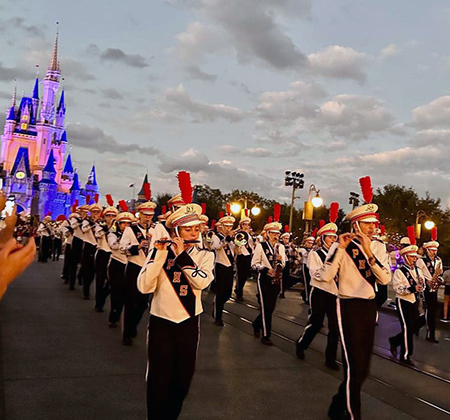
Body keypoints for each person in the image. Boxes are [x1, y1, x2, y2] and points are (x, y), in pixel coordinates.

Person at [323, 178, 391, 420]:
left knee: (364, 369)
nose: (373, 228)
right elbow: (327, 276)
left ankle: (337, 403)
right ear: (356, 225)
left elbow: (384, 280)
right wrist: (340, 250)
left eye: (375, 224)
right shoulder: (342, 246)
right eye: (368, 224)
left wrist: (370, 252)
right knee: (354, 365)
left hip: (369, 306)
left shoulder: (379, 248)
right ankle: (354, 415)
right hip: (348, 304)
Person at [137, 203, 214, 420]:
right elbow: (144, 287)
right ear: (177, 231)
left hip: (188, 322)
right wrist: (160, 255)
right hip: (162, 321)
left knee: (182, 379)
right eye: (188, 229)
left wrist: (182, 257)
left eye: (196, 229)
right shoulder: (160, 252)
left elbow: (202, 282)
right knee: (158, 379)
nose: (194, 233)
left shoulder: (205, 256)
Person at [296, 222, 339, 370]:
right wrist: (331, 268)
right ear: (323, 238)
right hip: (320, 292)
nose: (333, 240)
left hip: (334, 293)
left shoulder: (338, 255)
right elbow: (316, 274)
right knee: (316, 323)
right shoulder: (315, 254)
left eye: (335, 237)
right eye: (330, 237)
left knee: (335, 327)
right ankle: (302, 344)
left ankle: (330, 359)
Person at [119, 201, 156, 345]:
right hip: (134, 267)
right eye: (145, 215)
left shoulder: (155, 230)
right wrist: (137, 246)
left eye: (150, 216)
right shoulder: (131, 230)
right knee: (130, 302)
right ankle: (126, 333)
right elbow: (123, 248)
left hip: (148, 268)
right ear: (140, 215)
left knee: (143, 303)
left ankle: (133, 325)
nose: (148, 219)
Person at [388, 243, 425, 366]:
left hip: (414, 301)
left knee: (415, 326)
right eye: (412, 257)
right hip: (403, 301)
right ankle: (405, 356)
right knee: (407, 328)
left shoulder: (418, 271)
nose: (415, 259)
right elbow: (398, 288)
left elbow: (422, 286)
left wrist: (421, 285)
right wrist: (413, 288)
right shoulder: (400, 271)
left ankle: (394, 340)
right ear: (406, 257)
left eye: (415, 257)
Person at [251, 221, 286, 345]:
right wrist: (266, 270)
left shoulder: (280, 247)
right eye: (272, 233)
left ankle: (256, 323)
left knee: (270, 308)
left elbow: (284, 263)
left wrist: (281, 262)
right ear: (267, 234)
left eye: (277, 234)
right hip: (264, 279)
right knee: (265, 307)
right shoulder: (261, 246)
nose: (275, 236)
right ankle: (266, 335)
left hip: (276, 279)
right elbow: (254, 264)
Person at [107, 211, 134, 328]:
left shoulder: (134, 236)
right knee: (116, 291)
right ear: (118, 224)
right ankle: (114, 315)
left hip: (129, 265)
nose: (126, 226)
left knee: (127, 294)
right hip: (117, 264)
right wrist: (123, 238)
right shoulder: (113, 234)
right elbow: (114, 246)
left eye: (128, 224)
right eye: (123, 223)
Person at [416, 235, 444, 343]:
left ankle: (416, 326)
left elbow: (440, 272)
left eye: (435, 250)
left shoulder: (438, 260)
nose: (434, 252)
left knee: (432, 310)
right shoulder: (421, 261)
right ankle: (430, 334)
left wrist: (439, 276)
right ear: (427, 250)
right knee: (429, 310)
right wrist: (426, 281)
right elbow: (418, 273)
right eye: (432, 250)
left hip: (434, 286)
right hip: (425, 286)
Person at [210, 215, 236, 326]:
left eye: (230, 226)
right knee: (220, 292)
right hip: (220, 265)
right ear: (221, 226)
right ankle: (218, 317)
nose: (228, 229)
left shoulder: (233, 238)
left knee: (228, 293)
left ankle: (216, 305)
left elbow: (238, 252)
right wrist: (227, 239)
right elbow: (216, 247)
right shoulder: (216, 236)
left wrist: (239, 244)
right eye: (226, 226)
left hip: (230, 266)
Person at [93, 205, 117, 312]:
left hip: (113, 255)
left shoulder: (118, 228)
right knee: (100, 279)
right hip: (102, 253)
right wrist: (107, 229)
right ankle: (98, 303)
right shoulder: (100, 226)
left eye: (113, 216)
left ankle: (102, 297)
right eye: (108, 216)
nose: (110, 218)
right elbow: (98, 235)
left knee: (111, 282)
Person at [80, 203, 102, 300]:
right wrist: (93, 223)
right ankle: (86, 290)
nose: (95, 214)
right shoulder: (86, 222)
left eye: (97, 212)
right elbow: (83, 229)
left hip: (98, 247)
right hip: (89, 246)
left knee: (95, 272)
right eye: (94, 212)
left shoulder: (101, 223)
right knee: (87, 270)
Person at [68, 204, 89, 290]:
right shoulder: (75, 219)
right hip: (77, 240)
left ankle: (81, 277)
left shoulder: (88, 221)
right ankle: (71, 283)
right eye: (83, 211)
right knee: (74, 263)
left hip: (86, 241)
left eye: (86, 212)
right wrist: (81, 221)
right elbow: (73, 226)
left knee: (86, 263)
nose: (85, 213)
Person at [234, 217, 254, 301]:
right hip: (241, 254)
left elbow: (252, 244)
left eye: (248, 224)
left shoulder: (249, 234)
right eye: (245, 224)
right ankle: (239, 291)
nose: (247, 226)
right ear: (241, 225)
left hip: (248, 255)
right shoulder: (239, 233)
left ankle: (238, 288)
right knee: (240, 274)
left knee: (245, 275)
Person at [298, 235, 315, 304]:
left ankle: (306, 295)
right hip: (305, 265)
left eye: (312, 243)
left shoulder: (313, 250)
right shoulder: (303, 249)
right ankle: (307, 298)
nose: (310, 244)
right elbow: (305, 255)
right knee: (307, 282)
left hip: (312, 266)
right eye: (309, 243)